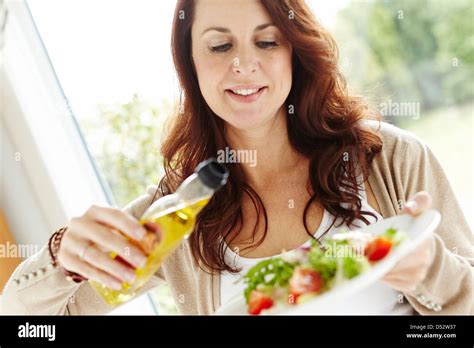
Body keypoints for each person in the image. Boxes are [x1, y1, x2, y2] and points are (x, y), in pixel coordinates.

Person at [1, 0, 472, 315]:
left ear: (295, 51)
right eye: (220, 45)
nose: (244, 64)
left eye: (266, 41)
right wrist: (63, 255)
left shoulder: (391, 159)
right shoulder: (176, 212)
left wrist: (432, 270)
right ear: (191, 64)